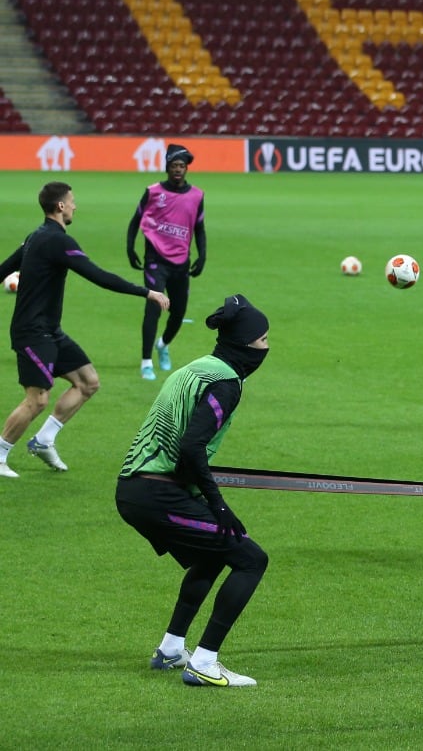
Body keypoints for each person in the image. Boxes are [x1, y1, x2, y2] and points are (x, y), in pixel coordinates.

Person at [115, 294, 271, 688]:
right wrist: (217, 506)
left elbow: (182, 450)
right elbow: (190, 448)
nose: (267, 348)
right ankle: (204, 662)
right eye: (263, 340)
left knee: (213, 554)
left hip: (138, 487)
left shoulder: (198, 367)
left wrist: (203, 497)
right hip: (156, 495)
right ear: (245, 343)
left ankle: (171, 649)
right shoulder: (226, 383)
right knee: (251, 559)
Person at [0, 182, 169, 478]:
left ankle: (44, 440)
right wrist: (147, 292)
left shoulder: (35, 237)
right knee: (37, 399)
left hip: (50, 330)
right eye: (72, 201)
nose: (75, 206)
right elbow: (99, 276)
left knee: (88, 382)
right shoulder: (57, 241)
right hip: (32, 332)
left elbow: (2, 271)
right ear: (61, 207)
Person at [126, 143, 207, 381]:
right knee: (153, 307)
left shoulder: (197, 196)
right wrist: (130, 248)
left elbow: (199, 228)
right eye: (174, 166)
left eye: (182, 166)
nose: (178, 170)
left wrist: (202, 255)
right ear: (167, 167)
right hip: (155, 260)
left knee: (178, 311)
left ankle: (162, 345)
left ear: (187, 168)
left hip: (181, 262)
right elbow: (135, 221)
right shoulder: (153, 192)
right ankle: (146, 362)